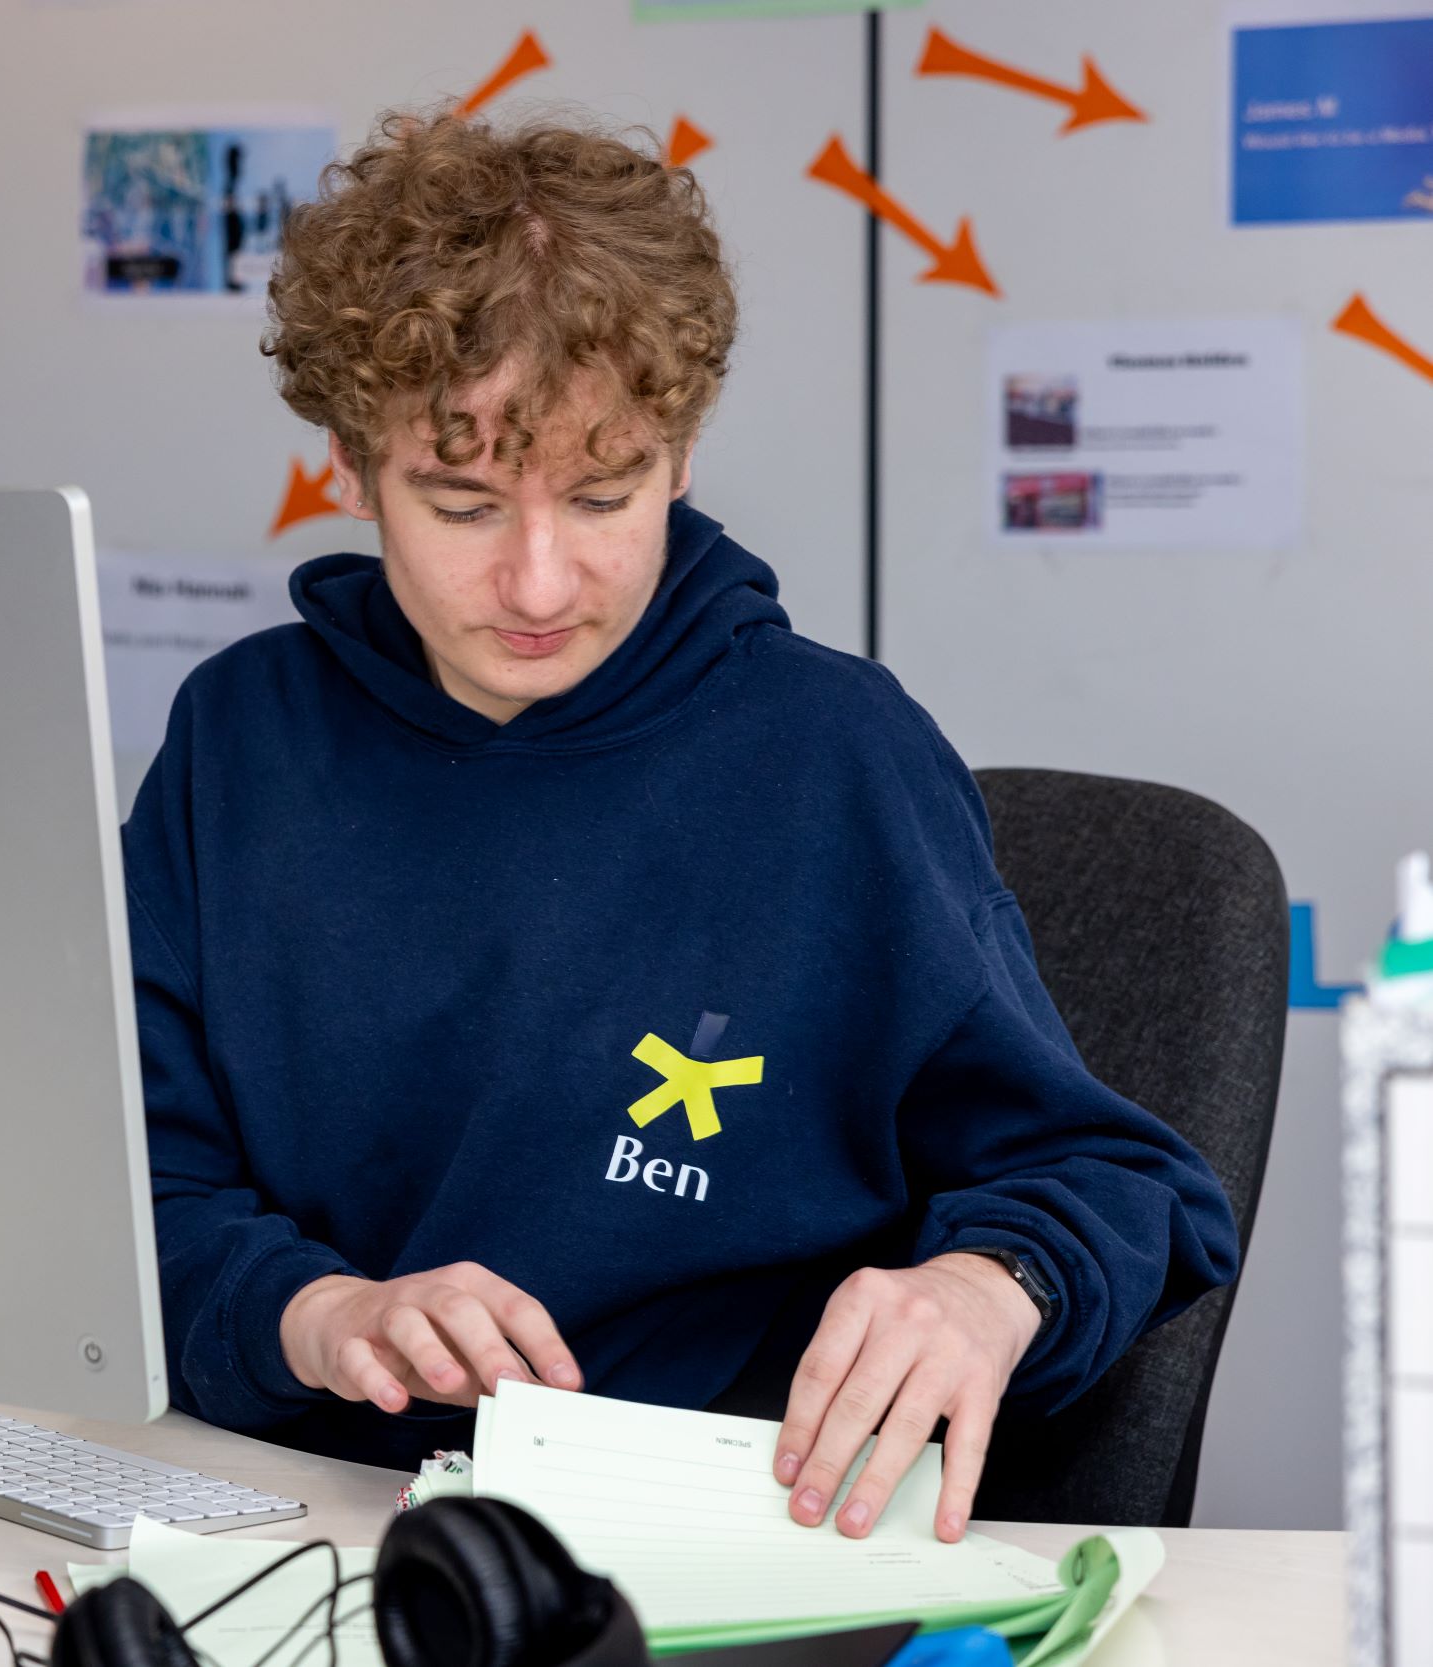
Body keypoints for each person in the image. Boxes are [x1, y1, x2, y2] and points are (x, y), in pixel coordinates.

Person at [120, 109, 1239, 1544]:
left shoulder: (835, 759)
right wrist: (314, 1310)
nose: (537, 581)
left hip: (709, 1541)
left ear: (685, 451)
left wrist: (983, 1287)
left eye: (603, 494)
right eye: (460, 503)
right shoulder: (240, 739)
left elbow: (1115, 1180)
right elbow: (134, 1188)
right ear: (352, 464)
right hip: (301, 1521)